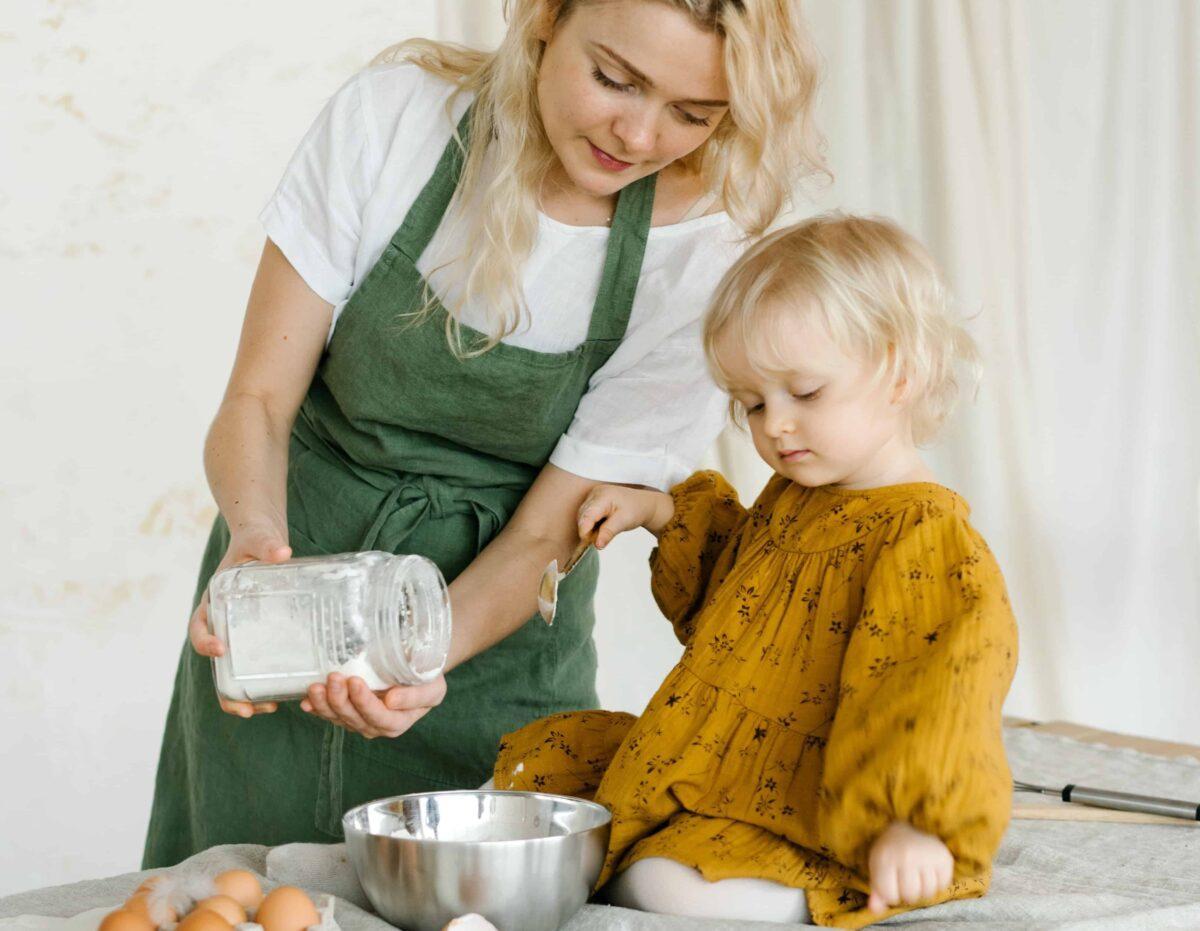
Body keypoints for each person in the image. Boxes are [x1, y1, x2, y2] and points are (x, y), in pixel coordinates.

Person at [142, 0, 827, 867]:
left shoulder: (708, 252)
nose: (641, 134)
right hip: (290, 591)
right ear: (544, 18)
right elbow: (257, 400)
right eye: (615, 78)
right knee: (233, 892)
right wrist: (255, 540)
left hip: (494, 643)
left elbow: (548, 530)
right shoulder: (396, 121)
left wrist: (418, 659)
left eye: (695, 114)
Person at [492, 215, 1019, 927]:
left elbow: (938, 692)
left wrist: (911, 823)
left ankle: (846, 877)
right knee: (538, 788)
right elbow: (733, 610)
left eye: (804, 393)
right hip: (729, 763)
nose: (775, 426)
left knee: (667, 885)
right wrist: (656, 511)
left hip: (817, 799)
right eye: (753, 404)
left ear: (900, 371)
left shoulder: (925, 539)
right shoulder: (798, 496)